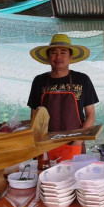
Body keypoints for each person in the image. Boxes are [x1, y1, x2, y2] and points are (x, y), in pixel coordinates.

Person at [27, 34, 99, 162]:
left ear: (71, 57)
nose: (58, 57)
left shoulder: (82, 80)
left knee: (73, 179)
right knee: (45, 179)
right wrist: (39, 142)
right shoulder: (39, 81)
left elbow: (90, 114)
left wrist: (78, 140)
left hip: (74, 144)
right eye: (53, 52)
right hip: (45, 146)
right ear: (48, 57)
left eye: (63, 52)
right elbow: (35, 117)